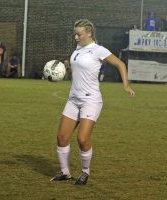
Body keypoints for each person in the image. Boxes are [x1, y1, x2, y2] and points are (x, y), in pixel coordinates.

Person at [50, 19, 135, 185]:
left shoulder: (98, 50)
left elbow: (120, 64)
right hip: (73, 99)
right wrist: (62, 70)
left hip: (91, 100)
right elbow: (77, 70)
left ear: (89, 33)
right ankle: (65, 172)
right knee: (61, 137)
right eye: (75, 34)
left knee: (82, 139)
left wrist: (126, 85)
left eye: (79, 34)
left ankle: (85, 172)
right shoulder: (77, 49)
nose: (76, 37)